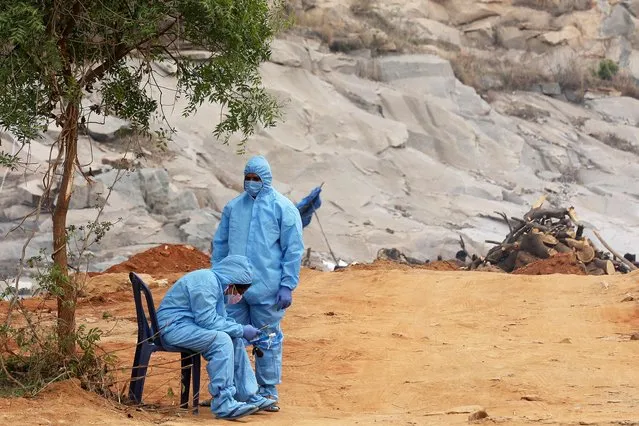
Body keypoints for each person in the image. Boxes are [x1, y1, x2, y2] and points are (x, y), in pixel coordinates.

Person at [211, 155, 304, 411]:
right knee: (230, 335)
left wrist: (287, 284)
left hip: (268, 286)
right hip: (234, 286)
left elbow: (293, 249)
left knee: (268, 338)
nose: (251, 182)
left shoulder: (283, 208)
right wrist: (217, 277)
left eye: (256, 179)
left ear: (266, 180)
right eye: (248, 178)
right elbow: (220, 245)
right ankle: (233, 391)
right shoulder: (233, 208)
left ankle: (268, 391)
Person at [156, 254, 277, 420]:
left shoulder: (215, 284)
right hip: (173, 328)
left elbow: (220, 318)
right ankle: (223, 403)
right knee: (221, 341)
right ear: (231, 280)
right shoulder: (206, 282)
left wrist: (240, 331)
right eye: (240, 289)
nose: (239, 295)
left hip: (186, 325)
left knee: (233, 339)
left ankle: (247, 395)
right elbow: (207, 321)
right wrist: (241, 329)